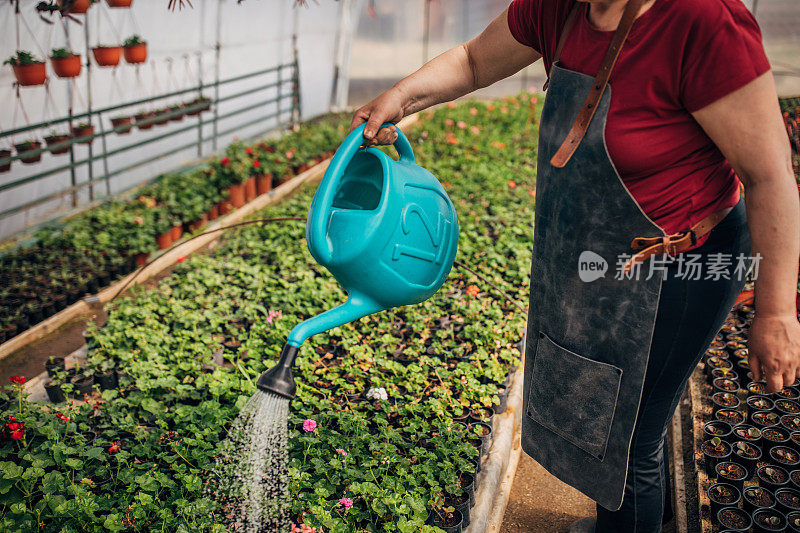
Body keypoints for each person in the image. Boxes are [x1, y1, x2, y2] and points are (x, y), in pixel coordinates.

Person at [350, 0, 800, 531]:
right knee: (606, 417)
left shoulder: (701, 22)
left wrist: (775, 312)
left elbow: (769, 177)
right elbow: (473, 60)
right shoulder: (558, 8)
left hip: (681, 265)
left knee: (632, 439)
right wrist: (399, 97)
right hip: (601, 253)